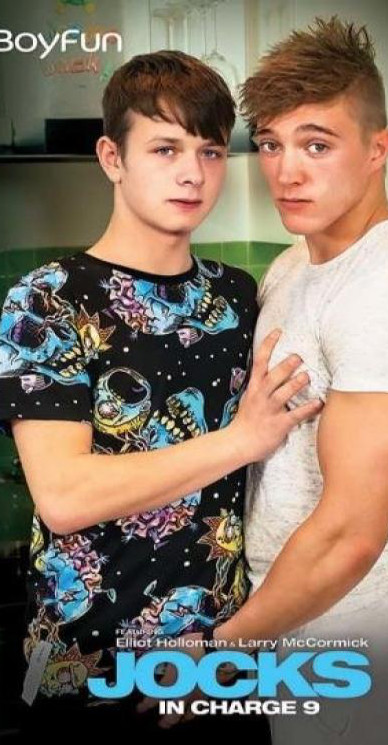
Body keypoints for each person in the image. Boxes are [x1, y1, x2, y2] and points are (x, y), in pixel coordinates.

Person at [0, 49, 321, 737]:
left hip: (217, 670)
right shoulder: (48, 300)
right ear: (111, 157)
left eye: (210, 152)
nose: (191, 173)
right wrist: (239, 440)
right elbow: (64, 497)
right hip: (88, 675)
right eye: (165, 148)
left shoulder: (237, 295)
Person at [186, 16, 388, 745]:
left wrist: (219, 652)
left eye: (317, 144)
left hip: (352, 616)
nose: (287, 171)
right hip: (293, 608)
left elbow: (349, 535)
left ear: (377, 149)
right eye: (271, 144)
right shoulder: (294, 266)